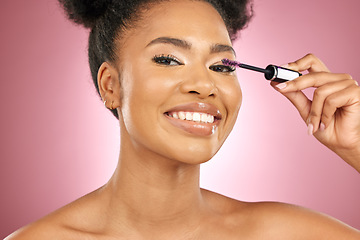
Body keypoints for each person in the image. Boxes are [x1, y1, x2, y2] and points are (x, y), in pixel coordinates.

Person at [5, 0, 360, 239]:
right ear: (111, 85)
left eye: (221, 66)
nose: (205, 85)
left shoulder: (285, 234)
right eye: (169, 59)